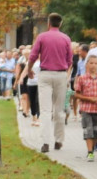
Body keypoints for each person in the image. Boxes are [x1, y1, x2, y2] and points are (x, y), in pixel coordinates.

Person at [28, 13, 72, 153]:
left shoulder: (42, 37)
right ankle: (59, 140)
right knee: (59, 110)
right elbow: (70, 60)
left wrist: (29, 69)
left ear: (48, 23)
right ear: (60, 23)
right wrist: (66, 74)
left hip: (45, 74)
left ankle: (45, 142)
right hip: (61, 74)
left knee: (46, 110)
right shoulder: (66, 38)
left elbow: (33, 55)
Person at [74, 55, 97, 162]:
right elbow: (77, 94)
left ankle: (92, 148)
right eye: (91, 63)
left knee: (96, 132)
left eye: (96, 63)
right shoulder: (82, 78)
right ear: (87, 64)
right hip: (86, 109)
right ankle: (90, 152)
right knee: (88, 130)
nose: (93, 65)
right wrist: (89, 99)